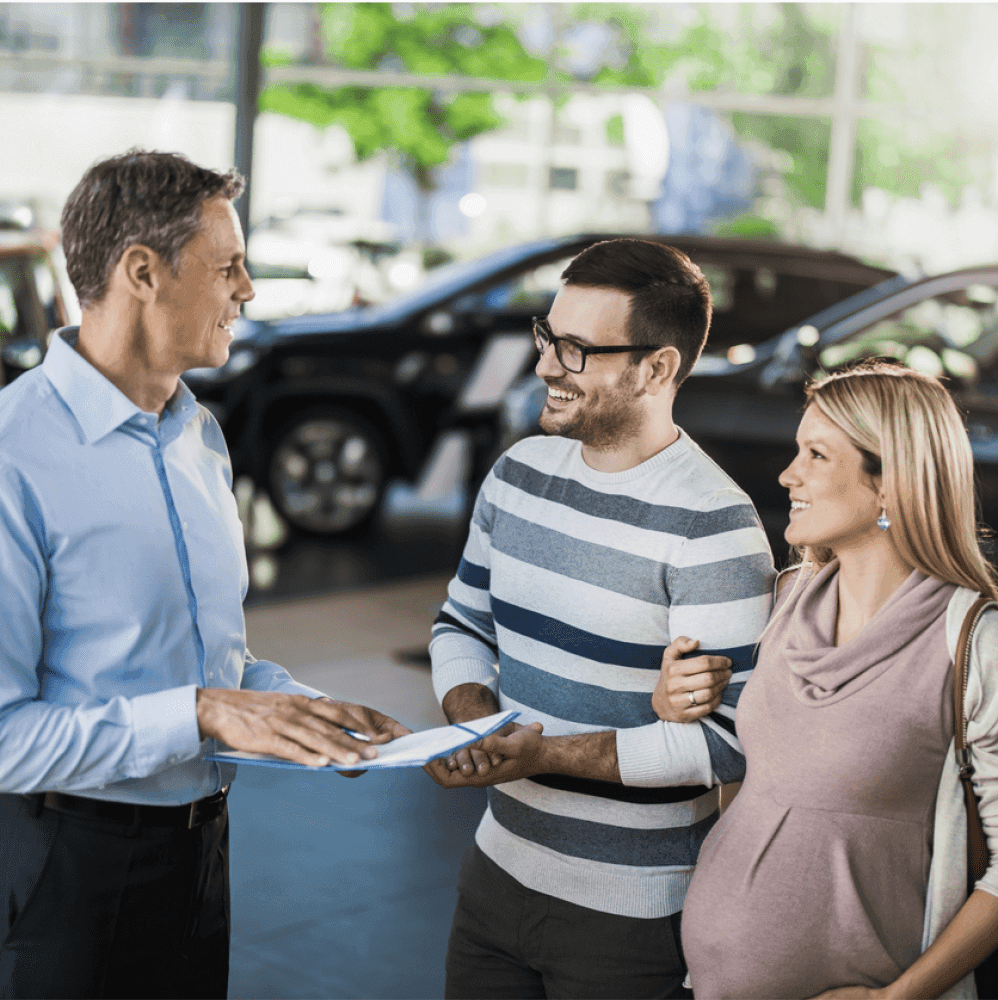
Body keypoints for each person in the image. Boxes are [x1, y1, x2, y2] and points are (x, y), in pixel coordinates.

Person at [0, 150, 409, 1000]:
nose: (248, 290)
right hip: (60, 871)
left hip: (200, 854)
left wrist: (298, 708)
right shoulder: (14, 455)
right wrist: (203, 713)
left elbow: (206, 662)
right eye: (228, 267)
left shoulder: (199, 435)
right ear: (142, 272)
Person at [424, 238, 775, 999]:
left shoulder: (714, 526)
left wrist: (537, 755)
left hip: (632, 919)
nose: (546, 366)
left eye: (577, 349)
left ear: (656, 369)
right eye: (548, 336)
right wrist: (475, 726)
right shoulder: (516, 475)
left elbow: (725, 745)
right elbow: (462, 626)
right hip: (492, 876)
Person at [657, 360, 998, 999]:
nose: (788, 475)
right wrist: (675, 700)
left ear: (890, 484)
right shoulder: (785, 598)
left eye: (816, 455)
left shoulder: (974, 642)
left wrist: (898, 998)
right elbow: (747, 764)